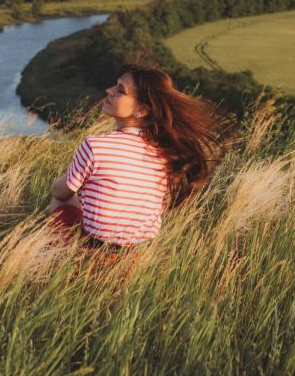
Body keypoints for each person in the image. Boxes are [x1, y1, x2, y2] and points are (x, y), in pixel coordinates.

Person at [49, 63, 225, 250]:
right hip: (135, 256)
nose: (109, 91)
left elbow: (60, 192)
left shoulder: (95, 145)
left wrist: (67, 184)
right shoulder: (164, 154)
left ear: (142, 110)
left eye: (120, 90)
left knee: (61, 198)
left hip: (92, 251)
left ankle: (62, 254)